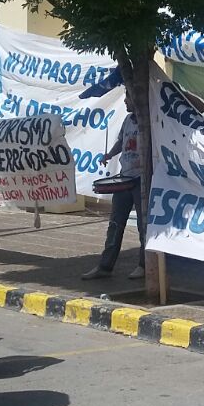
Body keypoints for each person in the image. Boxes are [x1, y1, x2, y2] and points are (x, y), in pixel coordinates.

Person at [82, 92, 145, 282]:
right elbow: (121, 141)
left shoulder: (148, 121)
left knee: (144, 226)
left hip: (142, 179)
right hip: (125, 178)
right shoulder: (127, 120)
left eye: (128, 98)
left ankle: (144, 265)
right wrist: (109, 155)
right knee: (115, 224)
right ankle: (105, 265)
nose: (125, 101)